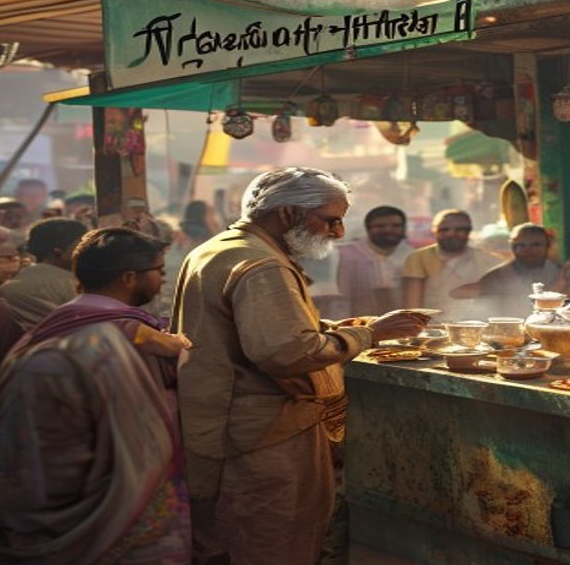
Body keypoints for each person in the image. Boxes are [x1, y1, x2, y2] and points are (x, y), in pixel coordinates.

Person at [171, 166, 428, 565]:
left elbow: (253, 330)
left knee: (233, 542)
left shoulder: (217, 247)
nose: (338, 232)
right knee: (276, 543)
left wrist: (333, 329)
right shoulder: (262, 264)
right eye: (330, 219)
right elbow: (284, 352)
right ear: (288, 213)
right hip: (265, 435)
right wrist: (368, 336)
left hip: (229, 427)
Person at [0, 227, 192, 564]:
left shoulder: (55, 326)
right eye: (159, 272)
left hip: (46, 501)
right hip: (106, 505)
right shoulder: (122, 337)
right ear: (129, 278)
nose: (162, 279)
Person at [402, 209, 499, 321]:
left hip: (475, 326)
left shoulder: (489, 260)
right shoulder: (418, 258)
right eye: (444, 229)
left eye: (459, 229)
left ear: (469, 231)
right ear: (434, 230)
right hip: (432, 328)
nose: (451, 234)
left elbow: (496, 299)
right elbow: (413, 307)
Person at [450, 223, 561, 317]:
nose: (528, 250)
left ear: (548, 245)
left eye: (535, 245)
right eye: (521, 245)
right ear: (512, 247)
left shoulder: (562, 273)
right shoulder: (495, 278)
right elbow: (478, 317)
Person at [0, 217, 87, 330]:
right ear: (58, 252)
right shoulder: (74, 285)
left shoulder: (5, 289)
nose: (87, 252)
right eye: (80, 247)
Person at [337, 205, 415, 317]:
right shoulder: (346, 255)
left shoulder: (411, 255)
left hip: (400, 323)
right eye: (380, 226)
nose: (388, 230)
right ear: (368, 229)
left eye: (396, 225)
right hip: (356, 324)